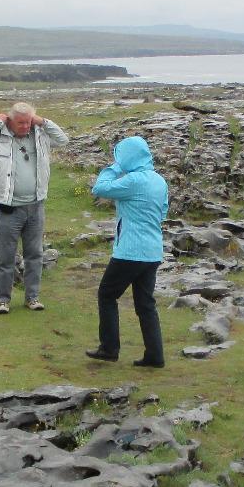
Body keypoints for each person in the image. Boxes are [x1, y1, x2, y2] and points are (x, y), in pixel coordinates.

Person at [0, 102, 68, 313]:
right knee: (5, 256)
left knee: (34, 254)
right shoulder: (0, 136)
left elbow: (63, 139)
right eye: (20, 122)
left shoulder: (41, 135)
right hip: (9, 208)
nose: (25, 126)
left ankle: (32, 297)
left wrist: (43, 121)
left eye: (28, 122)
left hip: (35, 206)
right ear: (10, 121)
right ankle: (2, 300)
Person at [86, 136, 168, 368]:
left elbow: (99, 188)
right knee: (145, 304)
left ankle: (109, 349)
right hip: (153, 251)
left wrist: (114, 168)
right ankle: (155, 356)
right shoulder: (159, 181)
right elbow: (163, 212)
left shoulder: (133, 180)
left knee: (106, 295)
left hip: (130, 251)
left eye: (120, 156)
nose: (118, 159)